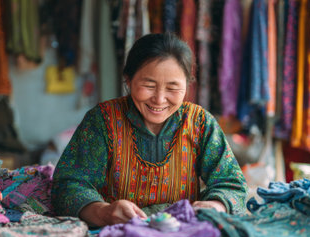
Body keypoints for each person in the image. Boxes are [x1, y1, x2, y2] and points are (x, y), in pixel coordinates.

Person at [51, 33, 248, 227]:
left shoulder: (200, 123)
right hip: (116, 233)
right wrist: (103, 212)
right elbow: (68, 185)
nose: (159, 99)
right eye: (148, 85)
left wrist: (216, 205)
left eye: (172, 88)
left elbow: (232, 183)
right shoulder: (103, 121)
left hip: (182, 232)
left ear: (187, 85)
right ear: (128, 80)